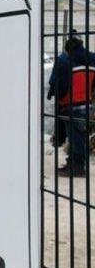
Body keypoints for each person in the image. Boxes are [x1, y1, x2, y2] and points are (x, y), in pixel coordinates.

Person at [47, 37, 94, 176]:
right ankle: (76, 164)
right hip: (86, 105)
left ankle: (77, 167)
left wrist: (58, 97)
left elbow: (58, 86)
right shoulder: (91, 61)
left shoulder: (65, 62)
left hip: (70, 105)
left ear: (68, 50)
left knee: (75, 138)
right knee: (80, 137)